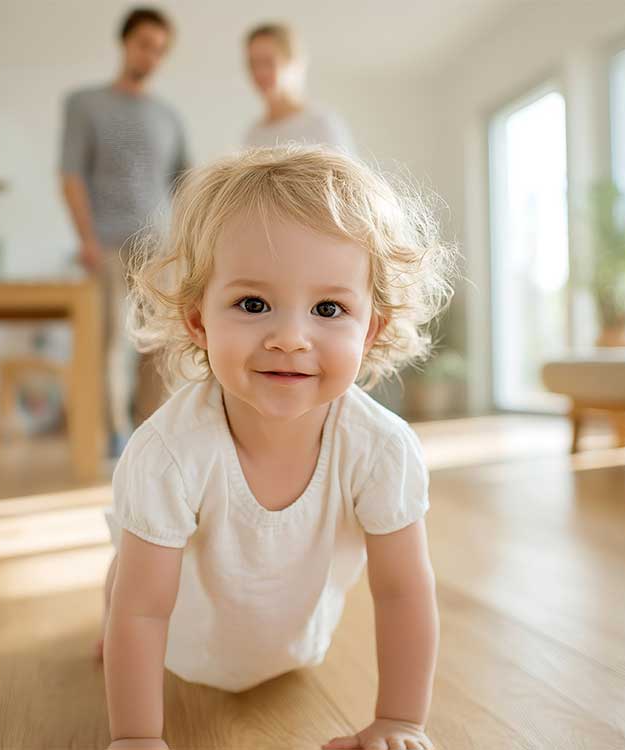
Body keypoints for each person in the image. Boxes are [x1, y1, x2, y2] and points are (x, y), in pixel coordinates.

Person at [100, 146, 458, 750]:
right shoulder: (167, 451)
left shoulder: (381, 449)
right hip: (181, 649)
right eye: (253, 304)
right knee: (128, 583)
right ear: (198, 321)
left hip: (295, 649)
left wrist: (401, 720)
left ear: (369, 329)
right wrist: (136, 737)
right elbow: (143, 611)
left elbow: (402, 591)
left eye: (328, 308)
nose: (290, 338)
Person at [60, 6, 190, 455]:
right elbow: (71, 174)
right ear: (125, 43)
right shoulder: (85, 104)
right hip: (108, 246)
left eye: (159, 50)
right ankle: (112, 434)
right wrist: (87, 241)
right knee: (107, 344)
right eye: (144, 45)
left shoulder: (169, 117)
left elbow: (185, 185)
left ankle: (149, 432)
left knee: (159, 344)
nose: (150, 56)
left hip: (159, 250)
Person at [244, 23, 356, 154]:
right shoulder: (253, 135)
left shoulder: (322, 125)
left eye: (268, 62)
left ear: (294, 62)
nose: (259, 72)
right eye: (253, 63)